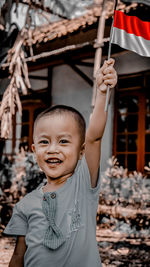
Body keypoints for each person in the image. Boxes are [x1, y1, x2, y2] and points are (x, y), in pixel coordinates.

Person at [4, 58, 117, 267]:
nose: (53, 148)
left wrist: (102, 94)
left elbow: (94, 137)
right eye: (44, 142)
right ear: (34, 150)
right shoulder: (25, 205)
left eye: (63, 141)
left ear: (81, 151)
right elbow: (18, 256)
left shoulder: (83, 186)